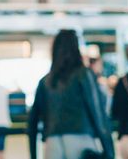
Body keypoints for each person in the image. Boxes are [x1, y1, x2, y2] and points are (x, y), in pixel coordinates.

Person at [28, 30, 114, 159]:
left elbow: (32, 121)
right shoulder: (84, 75)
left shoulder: (45, 81)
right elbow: (97, 112)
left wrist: (33, 155)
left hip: (52, 142)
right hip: (80, 138)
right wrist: (109, 150)